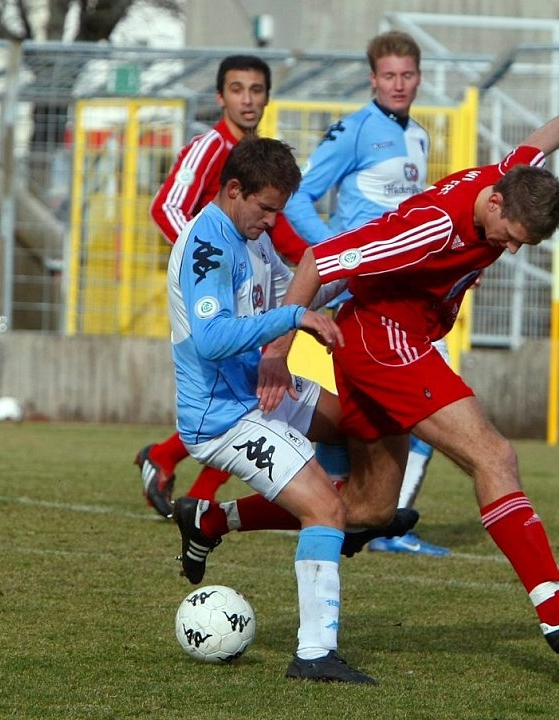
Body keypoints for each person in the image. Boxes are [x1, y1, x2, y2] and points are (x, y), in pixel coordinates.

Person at [258, 82, 559, 655]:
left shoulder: (508, 182)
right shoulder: (431, 228)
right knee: (494, 455)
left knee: (371, 507)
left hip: (388, 338)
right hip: (386, 342)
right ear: (495, 204)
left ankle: (212, 521)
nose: (509, 250)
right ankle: (556, 610)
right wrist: (276, 348)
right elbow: (322, 257)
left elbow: (533, 150)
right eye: (509, 238)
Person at [167, 135, 375, 683]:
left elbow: (295, 297)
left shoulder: (251, 235)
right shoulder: (207, 246)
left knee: (360, 426)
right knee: (326, 510)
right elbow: (211, 339)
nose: (272, 223)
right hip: (223, 418)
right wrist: (291, 323)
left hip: (262, 387)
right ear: (234, 190)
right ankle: (314, 654)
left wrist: (362, 268)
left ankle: (211, 518)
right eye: (266, 210)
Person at [284, 30, 449, 556]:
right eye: (389, 76)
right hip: (362, 287)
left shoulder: (419, 136)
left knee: (369, 412)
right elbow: (300, 197)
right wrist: (336, 251)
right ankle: (376, 521)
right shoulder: (352, 131)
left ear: (418, 78)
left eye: (407, 75)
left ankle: (349, 517)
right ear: (373, 79)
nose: (399, 85)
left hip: (401, 288)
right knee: (428, 402)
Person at [136, 54, 309, 518]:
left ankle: (179, 474)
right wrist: (213, 266)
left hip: (246, 292)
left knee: (258, 396)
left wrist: (317, 263)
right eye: (237, 90)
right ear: (220, 97)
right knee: (247, 398)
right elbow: (166, 207)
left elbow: (279, 230)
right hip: (210, 296)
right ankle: (196, 491)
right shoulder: (209, 146)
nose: (248, 99)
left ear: (267, 97)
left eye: (256, 90)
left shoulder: (262, 161)